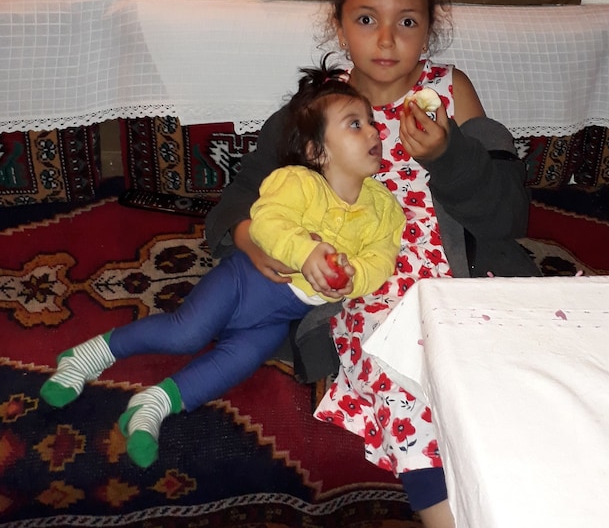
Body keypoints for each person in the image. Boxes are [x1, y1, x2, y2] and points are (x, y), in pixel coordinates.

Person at [205, 0, 538, 528]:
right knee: (420, 414)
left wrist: (447, 156)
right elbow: (234, 208)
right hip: (371, 305)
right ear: (339, 27)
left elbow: (509, 216)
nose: (386, 39)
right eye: (366, 19)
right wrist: (250, 237)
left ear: (429, 30)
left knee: (514, 405)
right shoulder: (316, 114)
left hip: (470, 288)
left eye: (406, 21)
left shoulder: (449, 95)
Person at [40, 59, 405, 469]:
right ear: (316, 150)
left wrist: (354, 277)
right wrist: (304, 253)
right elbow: (268, 222)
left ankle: (153, 405)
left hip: (279, 317)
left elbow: (381, 257)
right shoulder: (297, 181)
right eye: (355, 124)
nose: (373, 131)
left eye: (371, 123)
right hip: (244, 282)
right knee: (186, 334)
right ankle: (88, 355)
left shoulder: (384, 208)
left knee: (235, 363)